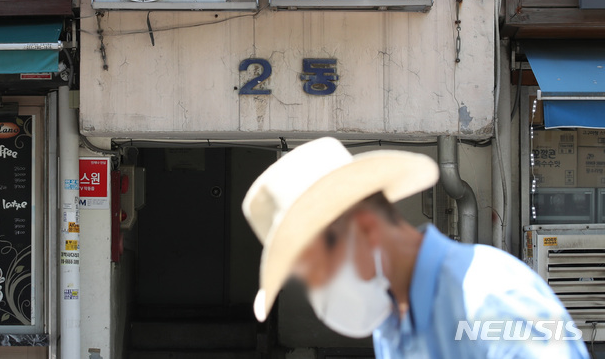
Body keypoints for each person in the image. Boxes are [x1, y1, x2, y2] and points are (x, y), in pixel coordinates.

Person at [242, 137, 589, 358]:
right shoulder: (390, 325)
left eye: (319, 273)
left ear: (365, 229)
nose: (318, 295)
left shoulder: (491, 298)